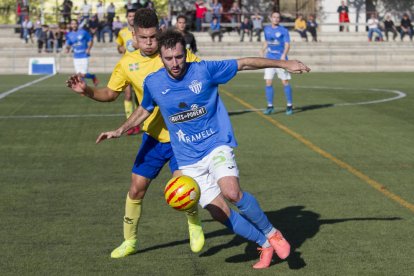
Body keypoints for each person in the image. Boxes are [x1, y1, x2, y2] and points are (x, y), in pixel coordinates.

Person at [96, 29, 310, 269]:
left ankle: (272, 233)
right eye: (169, 58)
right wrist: (120, 129)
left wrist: (284, 63)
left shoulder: (204, 70)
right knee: (217, 212)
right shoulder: (154, 82)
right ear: (162, 57)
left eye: (179, 57)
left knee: (231, 192)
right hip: (188, 159)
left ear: (185, 53)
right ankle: (264, 243)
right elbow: (144, 109)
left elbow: (245, 63)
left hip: (215, 144)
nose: (175, 63)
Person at [66, 8, 204, 259]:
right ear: (134, 35)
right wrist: (86, 91)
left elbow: (203, 76)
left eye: (153, 36)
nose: (150, 43)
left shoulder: (173, 54)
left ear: (159, 31)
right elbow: (110, 93)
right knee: (136, 189)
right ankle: (129, 241)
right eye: (144, 38)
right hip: (152, 136)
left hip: (181, 138)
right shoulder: (127, 63)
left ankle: (194, 225)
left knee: (184, 187)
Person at [262, 11, 294, 115]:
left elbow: (287, 44)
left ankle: (289, 105)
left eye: (278, 17)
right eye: (274, 17)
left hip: (281, 60)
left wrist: (284, 55)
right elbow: (267, 41)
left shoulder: (283, 30)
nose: (276, 19)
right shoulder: (266, 29)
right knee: (268, 82)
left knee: (285, 82)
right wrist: (262, 50)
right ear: (271, 18)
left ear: (279, 19)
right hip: (269, 59)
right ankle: (270, 106)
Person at [116, 8, 141, 135]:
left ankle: (138, 123)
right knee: (127, 95)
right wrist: (121, 48)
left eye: (134, 16)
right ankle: (130, 125)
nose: (132, 18)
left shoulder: (140, 31)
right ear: (127, 18)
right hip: (127, 68)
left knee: (139, 97)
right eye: (130, 16)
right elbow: (119, 46)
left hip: (139, 68)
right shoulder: (122, 32)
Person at [65, 19, 98, 86]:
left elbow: (91, 40)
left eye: (75, 23)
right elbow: (68, 44)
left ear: (77, 24)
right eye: (72, 24)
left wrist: (88, 49)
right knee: (79, 75)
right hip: (76, 56)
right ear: (71, 25)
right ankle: (84, 88)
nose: (74, 25)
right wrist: (67, 49)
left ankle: (93, 77)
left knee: (83, 74)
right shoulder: (69, 34)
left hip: (84, 55)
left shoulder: (83, 32)